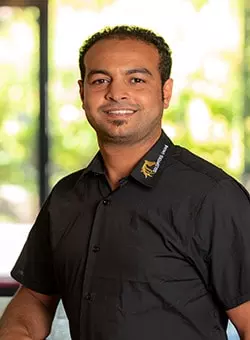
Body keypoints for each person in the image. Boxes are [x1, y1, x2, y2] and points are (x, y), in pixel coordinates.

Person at [0, 25, 250, 340]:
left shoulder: (214, 197)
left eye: (136, 79)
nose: (116, 93)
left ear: (166, 92)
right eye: (101, 80)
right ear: (82, 93)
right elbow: (35, 295)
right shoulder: (65, 197)